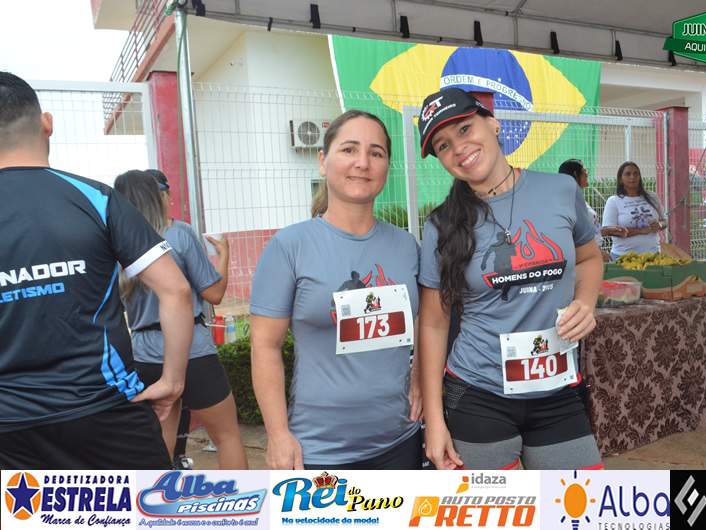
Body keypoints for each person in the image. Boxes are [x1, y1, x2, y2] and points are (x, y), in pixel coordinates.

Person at [0, 71, 194, 469]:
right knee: (148, 504)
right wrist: (173, 380)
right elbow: (175, 290)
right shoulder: (96, 198)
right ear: (47, 123)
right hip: (106, 410)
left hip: (10, 426)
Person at [416, 87, 604, 471]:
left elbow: (588, 257)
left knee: (579, 503)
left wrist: (585, 302)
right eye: (443, 145)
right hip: (478, 392)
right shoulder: (442, 225)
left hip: (557, 387)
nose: (459, 149)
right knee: (498, 506)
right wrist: (434, 420)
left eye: (465, 129)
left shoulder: (561, 190)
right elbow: (434, 323)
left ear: (493, 123)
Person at [250, 110, 423, 470]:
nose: (363, 163)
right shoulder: (289, 246)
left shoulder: (407, 246)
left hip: (400, 440)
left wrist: (420, 376)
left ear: (386, 166)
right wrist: (277, 434)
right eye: (349, 149)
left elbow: (426, 323)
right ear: (322, 161)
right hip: (317, 452)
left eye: (376, 153)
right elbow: (265, 346)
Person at [114, 170, 248, 469]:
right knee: (227, 436)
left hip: (146, 352)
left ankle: (157, 499)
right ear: (156, 196)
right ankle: (243, 499)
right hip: (192, 351)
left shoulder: (116, 243)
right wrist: (224, 255)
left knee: (160, 444)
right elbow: (214, 293)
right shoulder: (178, 233)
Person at [601, 161, 666, 260]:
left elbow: (664, 221)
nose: (632, 177)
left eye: (636, 174)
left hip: (653, 256)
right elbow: (607, 230)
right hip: (623, 257)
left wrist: (659, 225)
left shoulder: (652, 197)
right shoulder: (614, 201)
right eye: (628, 174)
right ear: (620, 179)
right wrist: (641, 231)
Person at [558, 159, 610, 261]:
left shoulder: (576, 198)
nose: (587, 174)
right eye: (584, 171)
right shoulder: (568, 201)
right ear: (575, 174)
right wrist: (595, 252)